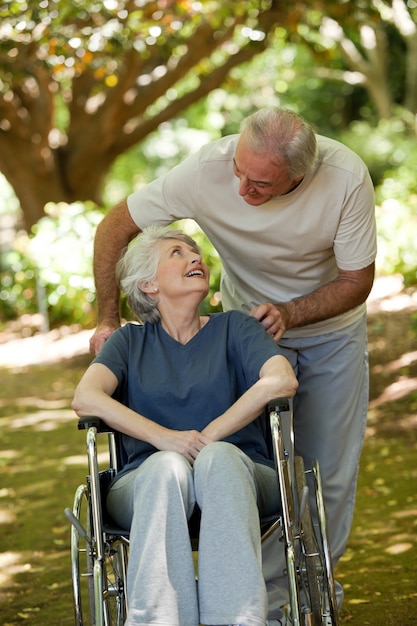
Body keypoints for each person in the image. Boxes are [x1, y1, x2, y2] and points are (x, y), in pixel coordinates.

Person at [89, 107, 377, 613]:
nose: (243, 191)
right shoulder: (206, 170)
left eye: (261, 184)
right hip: (250, 319)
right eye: (239, 173)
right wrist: (108, 318)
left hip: (327, 329)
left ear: (300, 176)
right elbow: (117, 224)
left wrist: (291, 312)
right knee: (196, 466)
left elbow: (356, 281)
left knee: (321, 470)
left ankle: (285, 598)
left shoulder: (346, 178)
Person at [73, 225, 298, 626]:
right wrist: (166, 440)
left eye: (195, 251)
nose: (195, 257)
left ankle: (236, 620)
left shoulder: (236, 328)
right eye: (177, 253)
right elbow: (86, 398)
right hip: (146, 483)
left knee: (219, 460)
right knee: (165, 467)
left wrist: (208, 439)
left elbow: (281, 379)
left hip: (242, 473)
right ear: (149, 284)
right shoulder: (128, 342)